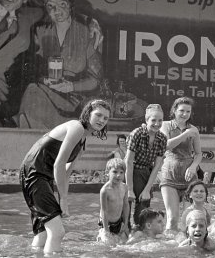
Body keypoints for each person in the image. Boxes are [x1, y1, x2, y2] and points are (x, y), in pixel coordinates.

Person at [20, 99, 111, 254]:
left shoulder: (83, 141)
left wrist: (63, 199)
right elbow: (59, 165)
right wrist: (63, 200)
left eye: (106, 118)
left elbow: (66, 173)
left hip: (44, 177)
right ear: (88, 113)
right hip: (34, 174)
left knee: (43, 234)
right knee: (57, 232)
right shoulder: (76, 128)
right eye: (98, 115)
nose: (101, 120)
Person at [18, 0, 104, 129]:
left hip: (74, 100)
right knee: (32, 92)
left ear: (70, 5)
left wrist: (71, 86)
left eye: (62, 4)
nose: (56, 11)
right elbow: (32, 68)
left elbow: (95, 80)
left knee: (31, 97)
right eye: (50, 6)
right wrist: (44, 79)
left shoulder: (86, 32)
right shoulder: (40, 30)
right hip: (44, 92)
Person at [160, 97, 202, 232]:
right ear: (174, 110)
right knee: (172, 218)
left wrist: (193, 166)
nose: (185, 114)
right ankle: (170, 249)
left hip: (189, 176)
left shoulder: (194, 129)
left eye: (188, 111)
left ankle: (189, 246)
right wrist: (185, 135)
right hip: (169, 175)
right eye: (181, 111)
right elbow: (166, 145)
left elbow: (198, 154)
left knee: (193, 218)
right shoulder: (165, 125)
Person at [126, 104, 168, 227]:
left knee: (143, 212)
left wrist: (146, 190)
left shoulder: (162, 138)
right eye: (153, 120)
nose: (157, 123)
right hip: (130, 171)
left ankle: (139, 235)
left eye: (160, 120)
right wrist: (129, 189)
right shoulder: (137, 133)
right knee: (125, 208)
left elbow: (157, 165)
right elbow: (128, 161)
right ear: (146, 120)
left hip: (146, 173)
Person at [98, 158, 130, 243]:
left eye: (121, 172)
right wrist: (106, 230)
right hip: (106, 222)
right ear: (107, 173)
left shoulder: (125, 187)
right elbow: (104, 211)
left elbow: (126, 205)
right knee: (108, 244)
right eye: (115, 172)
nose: (118, 175)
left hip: (118, 222)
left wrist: (126, 223)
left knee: (124, 243)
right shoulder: (105, 190)